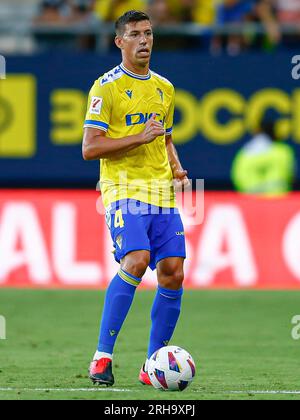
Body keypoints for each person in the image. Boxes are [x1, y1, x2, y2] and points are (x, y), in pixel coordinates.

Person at [82, 10, 189, 386]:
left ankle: (153, 364)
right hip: (124, 190)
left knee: (173, 272)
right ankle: (102, 357)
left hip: (161, 192)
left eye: (148, 33)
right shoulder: (105, 88)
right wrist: (138, 137)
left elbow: (166, 136)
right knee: (137, 259)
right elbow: (90, 148)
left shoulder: (165, 87)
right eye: (135, 35)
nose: (144, 40)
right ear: (119, 42)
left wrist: (175, 165)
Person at [231, 118, 296, 196]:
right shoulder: (283, 151)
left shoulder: (244, 153)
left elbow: (237, 177)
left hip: (250, 199)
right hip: (278, 199)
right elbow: (292, 176)